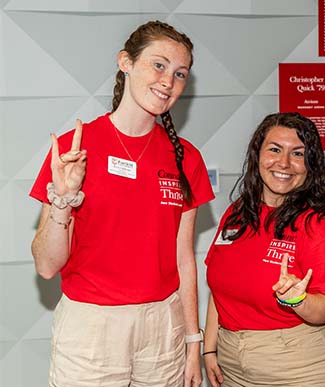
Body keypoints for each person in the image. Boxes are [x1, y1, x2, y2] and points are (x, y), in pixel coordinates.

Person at [29, 21, 214, 386]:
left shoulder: (186, 158)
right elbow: (47, 266)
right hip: (92, 329)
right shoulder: (74, 149)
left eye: (180, 74)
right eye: (158, 65)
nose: (168, 82)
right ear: (125, 63)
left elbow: (184, 259)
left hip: (163, 327)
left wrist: (194, 342)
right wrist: (63, 200)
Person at [203, 112, 325, 387]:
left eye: (298, 154)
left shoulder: (322, 226)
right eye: (274, 149)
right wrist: (210, 348)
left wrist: (300, 300)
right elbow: (218, 289)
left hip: (299, 366)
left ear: (310, 165)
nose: (284, 163)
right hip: (232, 363)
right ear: (257, 154)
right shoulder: (236, 214)